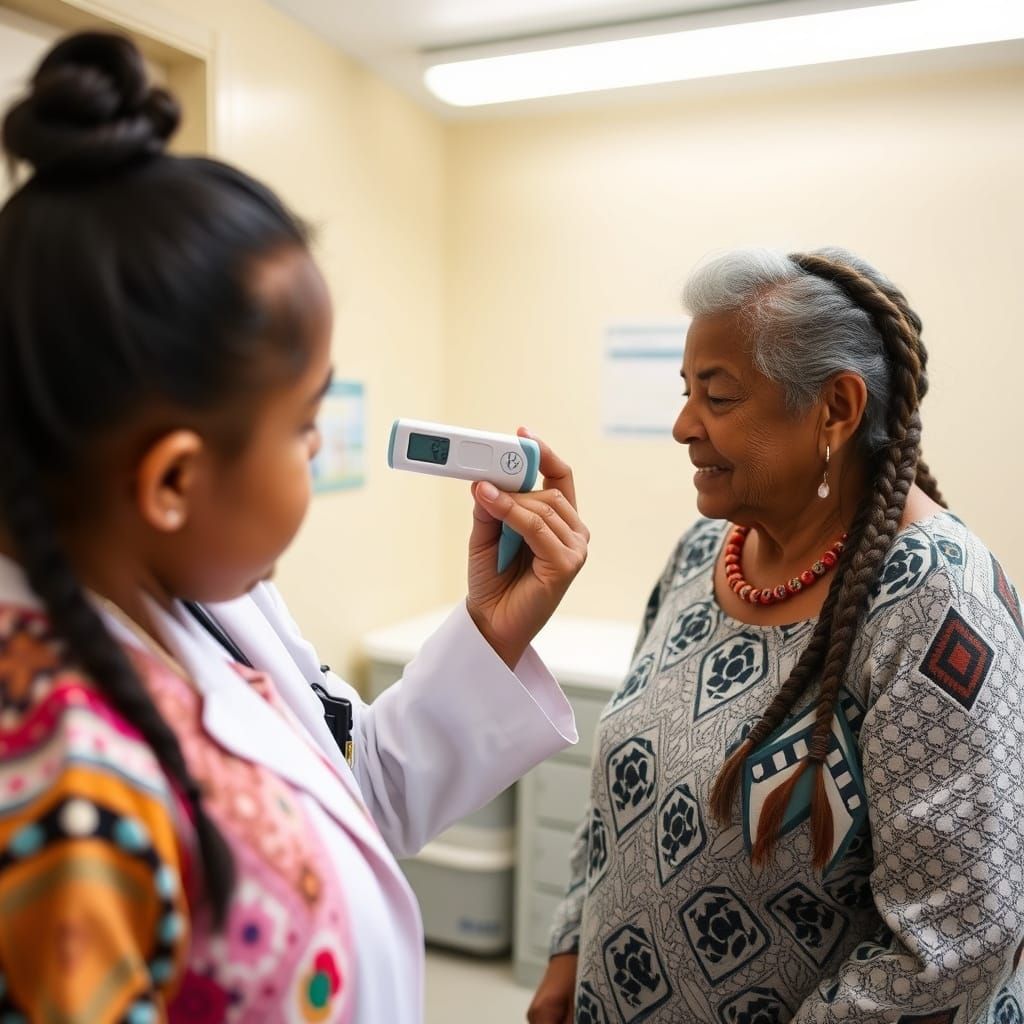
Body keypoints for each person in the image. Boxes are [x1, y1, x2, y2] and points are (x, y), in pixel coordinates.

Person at [0, 32, 590, 1024]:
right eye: (305, 422)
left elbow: (337, 792)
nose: (318, 452)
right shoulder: (62, 794)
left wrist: (492, 629)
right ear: (175, 479)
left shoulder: (198, 598)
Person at [528, 247, 1024, 1024]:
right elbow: (621, 793)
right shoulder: (704, 552)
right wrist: (569, 951)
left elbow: (954, 949)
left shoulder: (937, 601)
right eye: (687, 391)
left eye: (718, 398)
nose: (683, 425)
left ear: (836, 409)